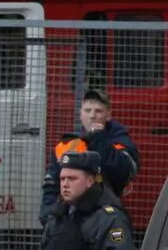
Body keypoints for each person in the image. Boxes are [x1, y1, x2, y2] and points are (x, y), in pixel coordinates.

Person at [41, 88, 139, 223]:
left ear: (108, 115)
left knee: (117, 241)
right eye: (87, 111)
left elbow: (123, 173)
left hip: (105, 217)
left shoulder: (121, 142)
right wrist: (49, 215)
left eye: (98, 111)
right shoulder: (67, 145)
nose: (92, 116)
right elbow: (52, 184)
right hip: (70, 219)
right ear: (80, 114)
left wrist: (98, 139)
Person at [36, 150, 134, 250]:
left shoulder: (109, 219)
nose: (65, 184)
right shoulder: (58, 215)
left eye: (72, 179)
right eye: (62, 179)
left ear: (90, 181)